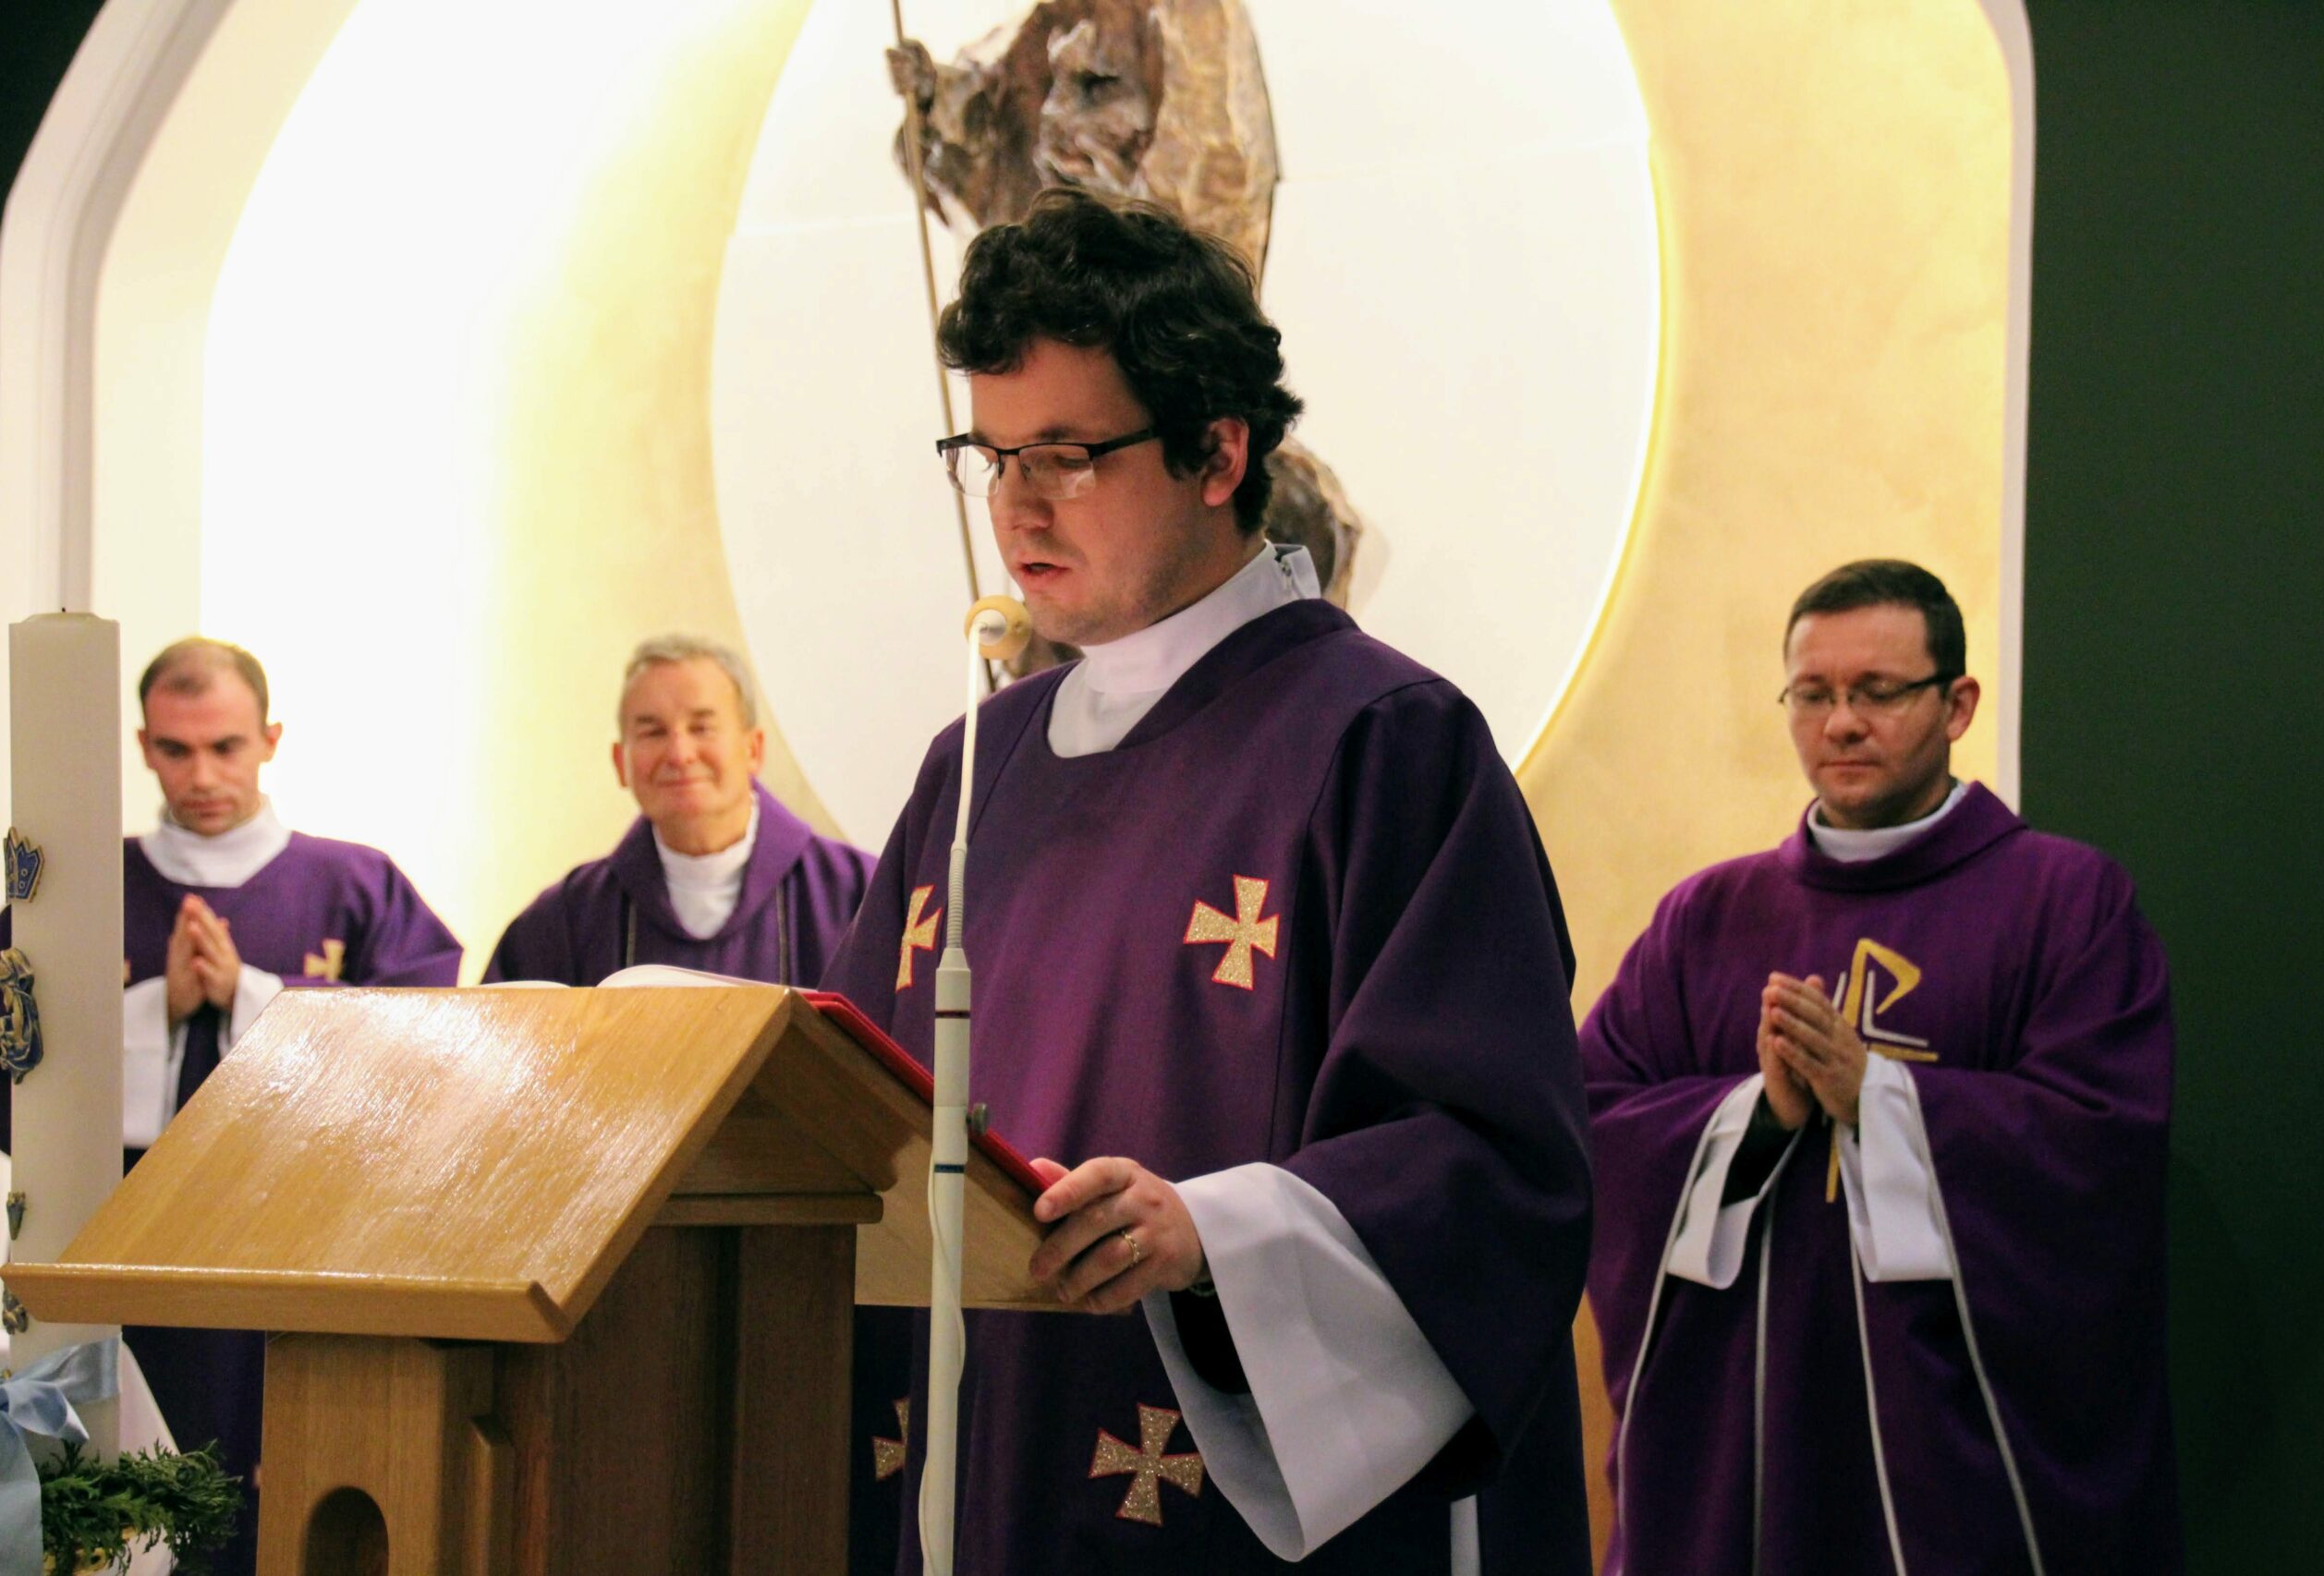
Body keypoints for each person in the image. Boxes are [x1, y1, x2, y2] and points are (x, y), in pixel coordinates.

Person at [819, 189, 1593, 1573]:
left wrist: (1213, 1237)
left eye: (1066, 455)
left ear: (1217, 451)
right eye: (989, 455)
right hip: (983, 1473)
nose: (1015, 505)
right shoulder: (973, 764)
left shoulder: (1382, 743)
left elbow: (1495, 1168)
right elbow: (853, 1120)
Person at [1580, 560, 2180, 1574]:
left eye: (1878, 691)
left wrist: (1883, 1101)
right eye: (1812, 694)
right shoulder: (1706, 919)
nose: (1843, 724)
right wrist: (1754, 1118)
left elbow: (2101, 1150)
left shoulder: (2066, 901)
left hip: (1952, 1450)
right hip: (1751, 1436)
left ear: (1957, 705)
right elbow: (1594, 1125)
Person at [4, 634, 464, 1576]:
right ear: (142, 746)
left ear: (271, 739)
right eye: (175, 749)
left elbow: (431, 1050)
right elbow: (21, 1057)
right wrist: (157, 1008)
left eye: (226, 746)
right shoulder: (80, 886)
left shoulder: (357, 883)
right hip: (127, 1252)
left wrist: (252, 994)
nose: (203, 775)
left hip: (310, 1251)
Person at [481, 635, 872, 988]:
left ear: (753, 749)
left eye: (702, 728)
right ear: (620, 763)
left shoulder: (858, 897)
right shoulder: (564, 921)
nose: (680, 754)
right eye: (653, 732)